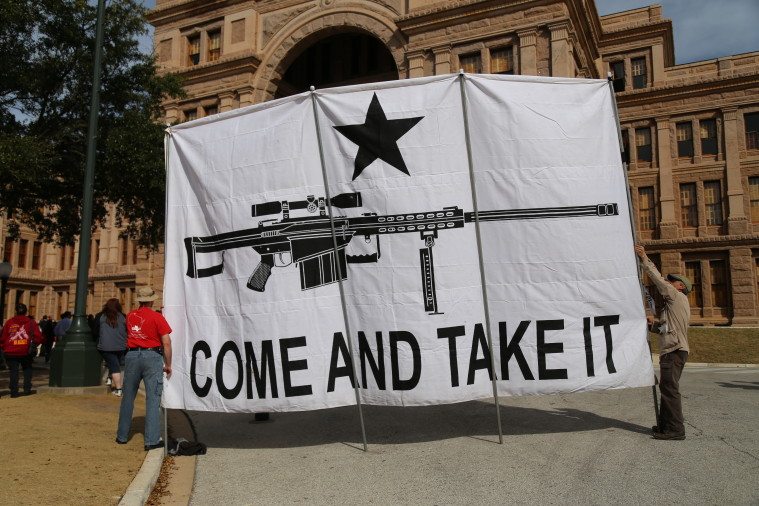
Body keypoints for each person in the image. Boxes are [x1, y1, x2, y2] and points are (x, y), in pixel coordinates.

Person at [634, 245, 691, 441]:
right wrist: (652, 325)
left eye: (672, 282)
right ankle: (666, 426)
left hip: (674, 350)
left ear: (681, 286)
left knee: (669, 389)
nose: (668, 282)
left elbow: (658, 281)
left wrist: (644, 258)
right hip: (674, 349)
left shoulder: (676, 297)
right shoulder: (672, 307)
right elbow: (664, 330)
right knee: (667, 388)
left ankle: (675, 429)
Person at [116, 286, 172, 451]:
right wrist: (168, 364)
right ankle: (151, 440)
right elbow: (166, 342)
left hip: (132, 355)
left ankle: (122, 436)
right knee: (153, 399)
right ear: (152, 300)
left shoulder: (130, 316)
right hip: (152, 356)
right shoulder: (157, 317)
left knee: (128, 397)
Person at [0, 303, 43, 397]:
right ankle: (27, 389)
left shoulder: (9, 322)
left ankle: (14, 391)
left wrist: (4, 347)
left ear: (16, 311)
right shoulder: (31, 322)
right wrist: (34, 345)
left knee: (13, 371)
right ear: (26, 311)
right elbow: (38, 337)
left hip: (11, 351)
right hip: (26, 351)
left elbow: (3, 338)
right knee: (27, 370)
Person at [94, 299, 127, 397]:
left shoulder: (100, 316)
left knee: (114, 366)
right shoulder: (123, 316)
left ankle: (119, 389)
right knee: (115, 364)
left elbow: (95, 331)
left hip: (106, 346)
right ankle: (109, 378)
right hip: (121, 346)